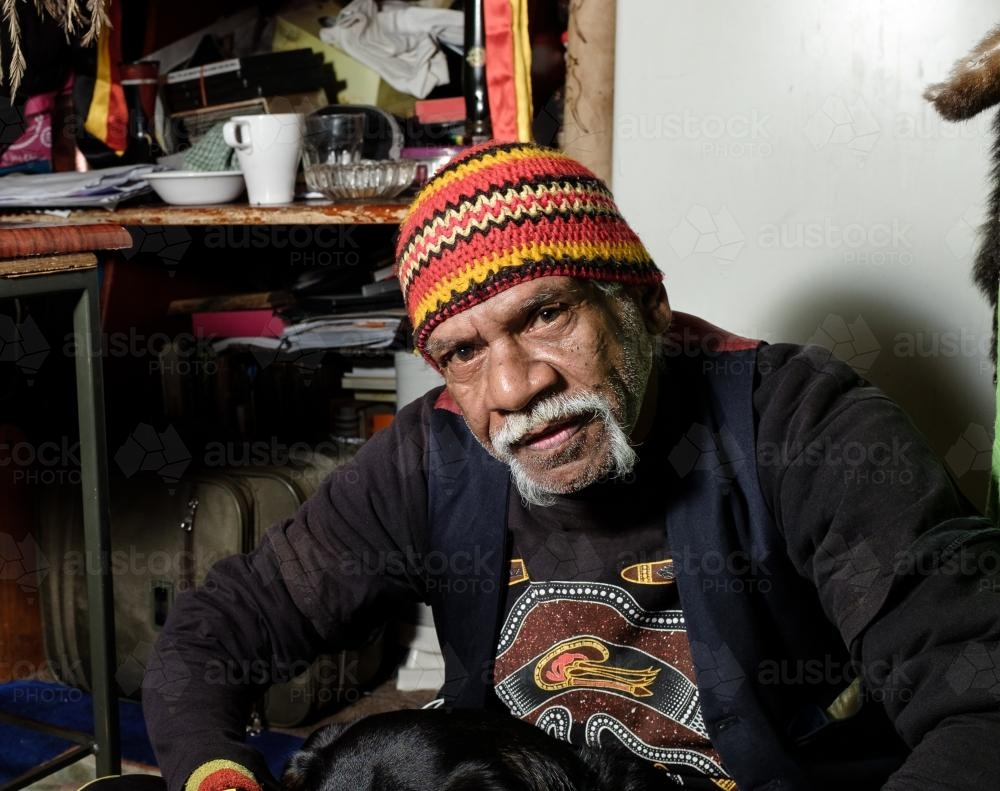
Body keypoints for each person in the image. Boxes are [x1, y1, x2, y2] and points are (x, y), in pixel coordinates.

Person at [143, 141, 1000, 791]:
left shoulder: (804, 425)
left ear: (645, 303)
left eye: (547, 314)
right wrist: (219, 776)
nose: (514, 387)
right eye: (463, 352)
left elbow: (981, 695)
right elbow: (214, 632)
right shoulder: (432, 455)